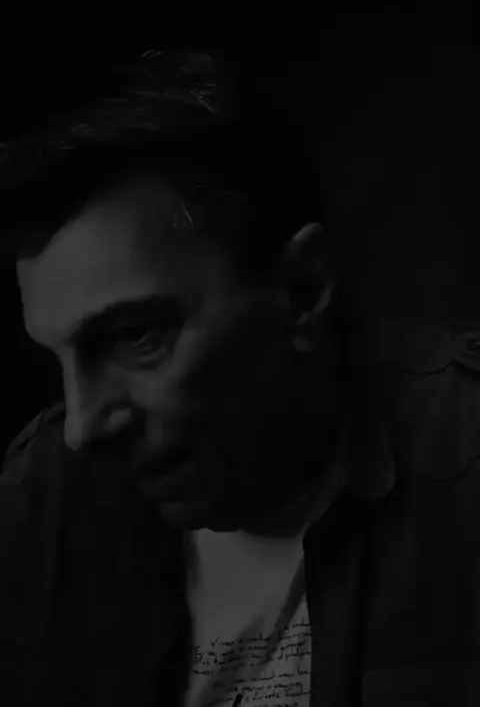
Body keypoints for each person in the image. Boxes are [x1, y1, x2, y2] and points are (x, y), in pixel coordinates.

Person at [0, 50, 478, 706]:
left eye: (136, 336)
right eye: (59, 357)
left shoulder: (463, 458)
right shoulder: (40, 502)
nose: (85, 427)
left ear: (304, 289)